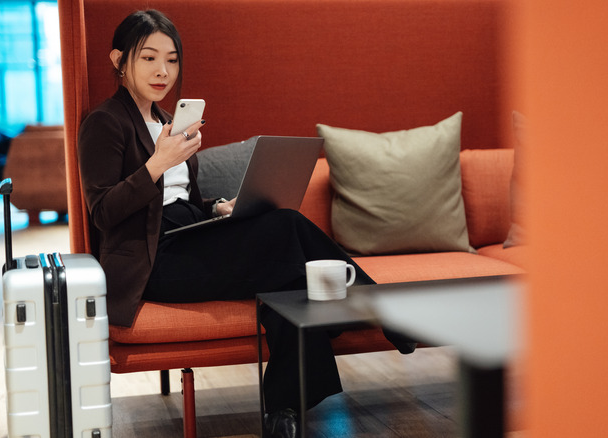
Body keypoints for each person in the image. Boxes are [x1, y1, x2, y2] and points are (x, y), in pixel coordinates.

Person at [77, 9, 414, 438]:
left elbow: (183, 202)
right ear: (118, 60)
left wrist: (219, 209)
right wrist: (158, 163)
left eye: (173, 59)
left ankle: (283, 412)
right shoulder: (104, 123)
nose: (163, 71)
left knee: (289, 277)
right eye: (149, 58)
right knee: (287, 225)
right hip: (152, 262)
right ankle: (378, 307)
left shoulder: (167, 121)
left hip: (187, 238)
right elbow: (103, 211)